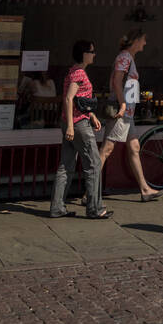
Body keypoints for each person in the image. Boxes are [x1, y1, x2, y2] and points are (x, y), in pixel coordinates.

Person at [49, 40, 111, 219]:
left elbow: (79, 100)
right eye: (92, 51)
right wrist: (71, 126)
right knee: (94, 164)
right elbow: (69, 99)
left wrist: (91, 116)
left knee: (66, 165)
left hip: (73, 122)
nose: (94, 54)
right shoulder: (79, 73)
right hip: (77, 125)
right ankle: (95, 208)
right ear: (84, 54)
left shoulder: (72, 71)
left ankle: (57, 207)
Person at [98, 29, 162, 201]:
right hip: (122, 112)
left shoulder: (128, 58)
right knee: (107, 149)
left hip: (127, 113)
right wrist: (123, 103)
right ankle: (89, 192)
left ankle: (145, 189)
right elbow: (117, 80)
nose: (145, 43)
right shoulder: (125, 57)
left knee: (134, 147)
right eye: (143, 40)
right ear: (135, 41)